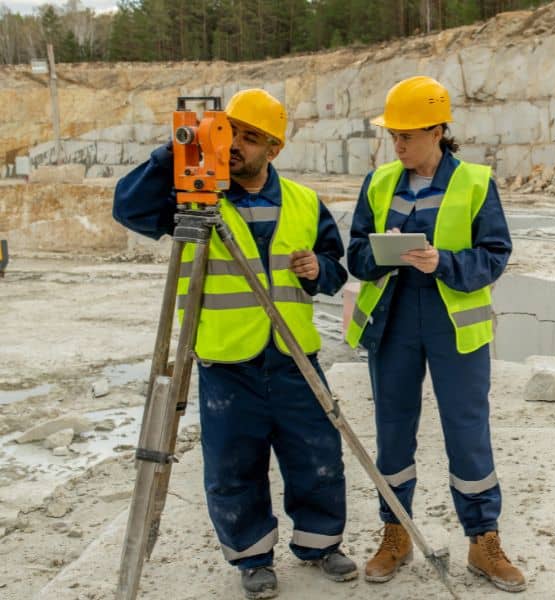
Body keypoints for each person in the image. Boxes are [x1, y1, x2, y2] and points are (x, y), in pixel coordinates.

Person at [113, 88, 355, 599]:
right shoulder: (195, 197)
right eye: (230, 133)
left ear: (274, 148)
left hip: (293, 356)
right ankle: (252, 557)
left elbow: (335, 272)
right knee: (233, 465)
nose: (237, 145)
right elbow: (128, 208)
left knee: (317, 455)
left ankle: (320, 545)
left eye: (250, 137)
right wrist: (179, 150)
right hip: (227, 361)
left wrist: (319, 271)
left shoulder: (306, 203)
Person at [345, 75, 525, 593]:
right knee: (394, 434)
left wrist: (442, 261)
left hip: (453, 329)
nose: (397, 144)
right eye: (393, 135)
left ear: (438, 131)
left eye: (407, 135)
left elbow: (494, 255)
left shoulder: (473, 181)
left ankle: (483, 541)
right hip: (394, 322)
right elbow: (355, 252)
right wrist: (382, 254)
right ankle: (396, 533)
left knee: (468, 435)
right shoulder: (380, 183)